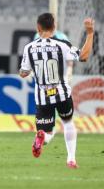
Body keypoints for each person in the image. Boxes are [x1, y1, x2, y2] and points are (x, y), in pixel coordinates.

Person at [19, 13, 94, 168]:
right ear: (53, 28)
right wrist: (90, 33)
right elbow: (84, 56)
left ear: (38, 28)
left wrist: (28, 71)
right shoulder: (61, 44)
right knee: (67, 122)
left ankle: (42, 137)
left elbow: (23, 72)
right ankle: (71, 159)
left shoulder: (29, 48)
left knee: (47, 133)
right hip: (61, 93)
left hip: (42, 97)